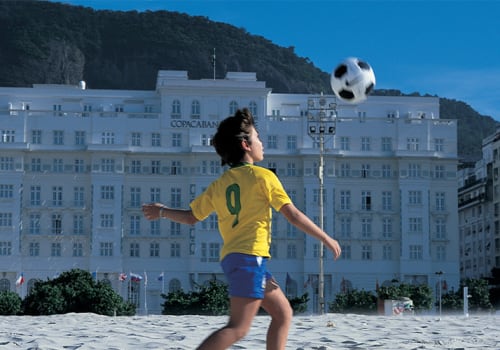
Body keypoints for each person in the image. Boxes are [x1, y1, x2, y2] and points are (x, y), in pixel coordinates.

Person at [142, 108, 341, 350]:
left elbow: (192, 217)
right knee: (238, 328)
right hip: (249, 259)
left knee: (283, 314)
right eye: (258, 137)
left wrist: (162, 211)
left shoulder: (220, 184)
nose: (262, 143)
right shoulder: (263, 177)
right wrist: (326, 238)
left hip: (237, 258)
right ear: (246, 144)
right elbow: (293, 215)